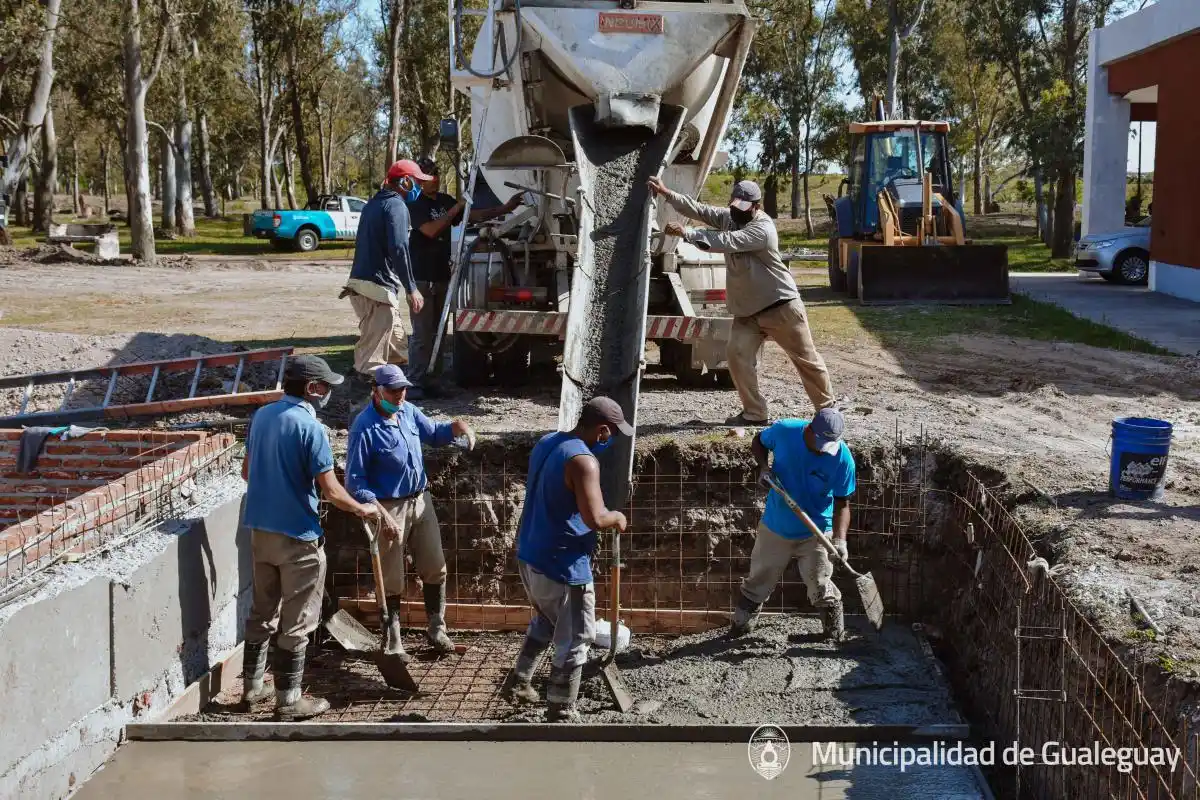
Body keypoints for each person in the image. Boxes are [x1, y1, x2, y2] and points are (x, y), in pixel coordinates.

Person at [239, 355, 380, 720]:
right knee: (298, 620)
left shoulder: (262, 416)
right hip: (298, 537)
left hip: (259, 531)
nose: (329, 393)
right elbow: (331, 490)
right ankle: (289, 702)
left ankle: (253, 689)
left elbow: (246, 473)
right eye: (326, 387)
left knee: (262, 610)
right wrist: (362, 509)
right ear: (312, 388)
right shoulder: (310, 428)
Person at [647, 176, 836, 425]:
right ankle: (755, 412)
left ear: (756, 207)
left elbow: (727, 242)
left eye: (743, 208)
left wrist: (688, 233)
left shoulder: (762, 229)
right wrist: (667, 193)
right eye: (734, 205)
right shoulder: (730, 217)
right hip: (748, 313)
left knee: (806, 360)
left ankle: (828, 412)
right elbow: (700, 209)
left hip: (780, 306)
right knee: (736, 355)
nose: (736, 211)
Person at [501, 397, 632, 722]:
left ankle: (519, 681)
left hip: (530, 555)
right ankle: (561, 709)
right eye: (612, 434)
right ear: (602, 431)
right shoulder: (583, 462)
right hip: (562, 564)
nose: (611, 441)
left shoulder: (549, 442)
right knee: (576, 637)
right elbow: (595, 518)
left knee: (548, 618)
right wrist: (616, 516)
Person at [343, 364, 477, 659]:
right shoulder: (364, 428)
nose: (400, 395)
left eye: (403, 389)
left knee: (434, 565)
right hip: (388, 506)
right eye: (393, 390)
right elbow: (355, 481)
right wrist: (380, 513)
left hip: (420, 500)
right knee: (391, 577)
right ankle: (393, 640)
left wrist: (457, 426)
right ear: (376, 392)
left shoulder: (408, 412)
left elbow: (433, 433)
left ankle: (436, 628)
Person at [731, 408, 855, 642]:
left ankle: (834, 636)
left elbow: (842, 503)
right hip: (776, 526)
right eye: (821, 443)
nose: (823, 450)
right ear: (809, 430)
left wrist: (839, 540)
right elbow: (758, 441)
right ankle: (740, 629)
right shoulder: (785, 431)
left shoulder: (842, 458)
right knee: (758, 581)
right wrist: (763, 467)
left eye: (829, 445)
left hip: (816, 532)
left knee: (820, 583)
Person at [406, 157, 524, 398]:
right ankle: (416, 381)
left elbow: (475, 215)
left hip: (441, 276)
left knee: (439, 330)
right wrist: (455, 209)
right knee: (422, 334)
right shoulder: (414, 205)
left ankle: (432, 381)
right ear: (418, 180)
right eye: (429, 176)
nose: (435, 180)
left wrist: (505, 208)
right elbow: (431, 230)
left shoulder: (444, 201)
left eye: (436, 174)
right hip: (421, 279)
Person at [341, 158, 434, 378]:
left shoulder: (374, 203)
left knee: (398, 348)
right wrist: (411, 288)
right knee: (372, 358)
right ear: (405, 182)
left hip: (366, 286)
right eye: (417, 183)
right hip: (377, 290)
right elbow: (399, 247)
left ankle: (395, 399)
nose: (420, 188)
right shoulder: (396, 205)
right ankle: (361, 404)